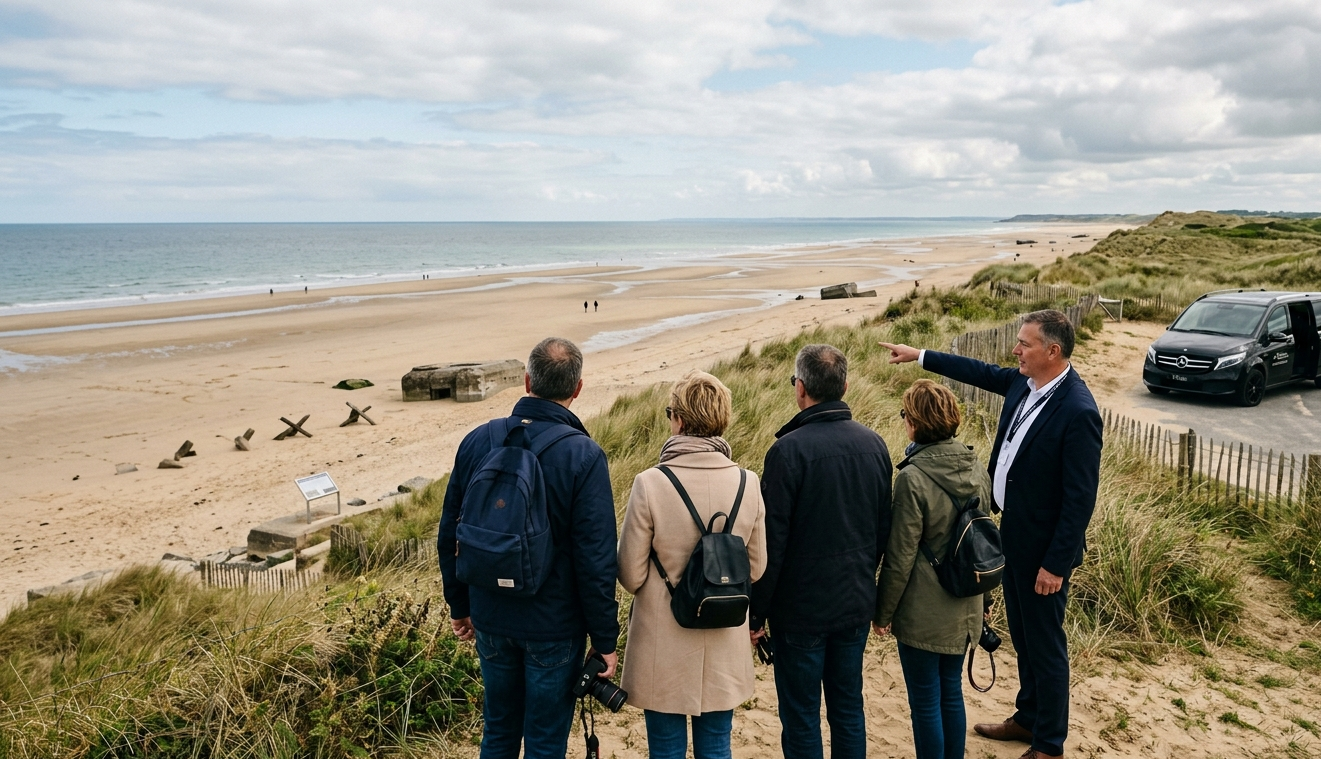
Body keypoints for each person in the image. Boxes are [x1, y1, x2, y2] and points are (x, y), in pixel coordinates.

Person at [880, 309, 1103, 759]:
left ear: (1052, 351)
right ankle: (1027, 717)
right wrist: (920, 355)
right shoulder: (1024, 383)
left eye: (1025, 344)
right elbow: (978, 372)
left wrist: (1055, 564)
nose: (1015, 350)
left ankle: (1050, 744)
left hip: (1044, 550)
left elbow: (1080, 499)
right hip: (1011, 535)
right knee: (1022, 634)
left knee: (1046, 644)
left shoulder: (1078, 410)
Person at [438, 337, 621, 759]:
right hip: (554, 624)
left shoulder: (477, 441)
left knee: (499, 731)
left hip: (490, 614)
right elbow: (595, 558)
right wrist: (605, 638)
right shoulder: (584, 455)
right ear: (577, 388)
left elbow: (449, 534)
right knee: (544, 739)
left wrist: (459, 605)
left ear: (526, 382)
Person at [750, 344, 893, 759]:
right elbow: (883, 527)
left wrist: (757, 614)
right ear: (844, 386)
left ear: (800, 389)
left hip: (801, 611)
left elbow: (770, 546)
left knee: (801, 714)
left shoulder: (787, 452)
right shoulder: (875, 445)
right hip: (853, 600)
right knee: (848, 707)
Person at [617, 371, 768, 759]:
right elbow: (755, 567)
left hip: (662, 639)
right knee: (717, 746)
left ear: (680, 420)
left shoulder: (650, 483)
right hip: (723, 631)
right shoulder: (747, 482)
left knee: (665, 750)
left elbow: (630, 576)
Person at [873, 379, 991, 759]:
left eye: (905, 414)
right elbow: (983, 540)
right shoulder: (976, 465)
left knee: (925, 702)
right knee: (951, 692)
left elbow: (901, 554)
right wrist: (985, 599)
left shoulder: (912, 477)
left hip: (924, 610)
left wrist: (883, 612)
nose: (904, 421)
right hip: (966, 601)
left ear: (915, 423)